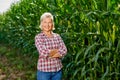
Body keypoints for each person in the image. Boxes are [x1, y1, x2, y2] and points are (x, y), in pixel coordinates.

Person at [35, 12, 67, 80]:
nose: (47, 25)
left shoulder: (57, 36)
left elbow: (64, 50)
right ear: (41, 23)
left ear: (52, 24)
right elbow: (43, 53)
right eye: (45, 22)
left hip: (57, 71)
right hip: (44, 72)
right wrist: (57, 51)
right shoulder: (39, 37)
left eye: (49, 22)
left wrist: (50, 53)